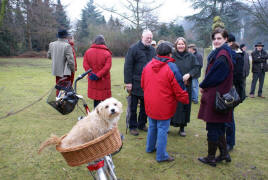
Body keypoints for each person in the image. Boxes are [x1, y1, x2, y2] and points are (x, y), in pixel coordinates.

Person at [141, 42, 189, 162]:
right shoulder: (172, 67)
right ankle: (161, 155)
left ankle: (150, 147)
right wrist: (185, 99)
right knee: (162, 128)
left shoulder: (148, 66)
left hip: (150, 102)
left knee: (152, 125)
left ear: (157, 52)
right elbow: (179, 87)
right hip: (164, 104)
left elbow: (142, 84)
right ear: (170, 53)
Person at [198, 28, 233, 167]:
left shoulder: (223, 55)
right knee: (218, 127)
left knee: (212, 127)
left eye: (219, 38)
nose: (216, 41)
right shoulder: (221, 53)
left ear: (225, 39)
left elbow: (214, 76)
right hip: (219, 95)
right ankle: (224, 153)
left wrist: (202, 84)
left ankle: (211, 157)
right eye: (215, 38)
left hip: (216, 96)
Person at [124, 29, 156, 136]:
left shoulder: (153, 50)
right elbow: (128, 66)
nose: (149, 39)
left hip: (149, 84)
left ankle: (142, 124)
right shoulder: (133, 49)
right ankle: (132, 126)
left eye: (151, 38)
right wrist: (128, 82)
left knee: (145, 106)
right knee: (133, 107)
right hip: (135, 83)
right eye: (147, 38)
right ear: (142, 37)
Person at [171, 37, 200, 137]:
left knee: (184, 106)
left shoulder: (191, 56)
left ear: (185, 45)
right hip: (173, 85)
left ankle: (182, 127)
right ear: (176, 45)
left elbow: (197, 67)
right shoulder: (172, 56)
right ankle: (168, 125)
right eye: (179, 44)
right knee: (172, 106)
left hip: (186, 85)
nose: (181, 46)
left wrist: (190, 74)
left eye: (182, 44)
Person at [83, 35, 112, 108]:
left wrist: (91, 74)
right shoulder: (107, 53)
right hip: (103, 80)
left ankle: (96, 115)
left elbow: (85, 64)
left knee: (96, 99)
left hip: (93, 79)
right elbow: (107, 67)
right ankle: (104, 116)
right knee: (105, 100)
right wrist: (98, 75)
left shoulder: (88, 52)